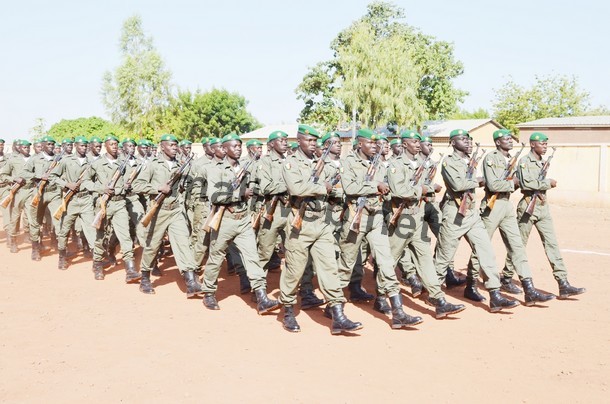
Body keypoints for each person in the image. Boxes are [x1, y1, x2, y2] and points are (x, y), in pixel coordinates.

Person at [280, 124, 362, 334]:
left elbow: (334, 187)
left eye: (315, 141)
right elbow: (296, 188)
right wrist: (322, 187)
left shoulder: (321, 162)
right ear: (298, 141)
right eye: (309, 140)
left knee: (329, 268)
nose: (313, 144)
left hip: (322, 223)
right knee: (295, 271)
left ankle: (338, 315)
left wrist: (333, 189)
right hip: (301, 223)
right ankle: (288, 309)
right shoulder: (291, 163)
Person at [338, 128, 422, 329]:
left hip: (376, 217)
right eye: (371, 143)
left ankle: (398, 311)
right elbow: (349, 188)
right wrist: (375, 186)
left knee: (386, 262)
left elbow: (388, 190)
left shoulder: (380, 164)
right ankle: (335, 306)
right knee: (347, 264)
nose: (375, 146)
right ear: (360, 144)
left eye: (377, 144)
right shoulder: (348, 162)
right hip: (356, 217)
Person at [434, 129, 519, 312]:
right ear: (453, 143)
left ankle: (495, 295)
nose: (468, 143)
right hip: (454, 214)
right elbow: (457, 185)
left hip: (472, 214)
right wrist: (478, 181)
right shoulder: (449, 162)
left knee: (486, 252)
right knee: (443, 258)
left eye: (469, 140)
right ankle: (436, 297)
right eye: (463, 140)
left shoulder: (468, 162)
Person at [387, 131, 465, 318]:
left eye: (418, 141)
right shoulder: (396, 165)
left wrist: (425, 190)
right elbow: (399, 190)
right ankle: (383, 298)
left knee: (426, 261)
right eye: (414, 141)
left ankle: (439, 301)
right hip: (402, 218)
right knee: (389, 261)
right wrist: (424, 189)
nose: (417, 144)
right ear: (404, 144)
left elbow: (422, 191)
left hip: (418, 217)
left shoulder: (420, 165)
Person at [200, 133, 279, 314]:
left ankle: (261, 297)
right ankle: (208, 292)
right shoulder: (215, 168)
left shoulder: (245, 167)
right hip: (225, 219)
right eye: (234, 146)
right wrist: (240, 194)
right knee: (216, 257)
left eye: (239, 146)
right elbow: (215, 196)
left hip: (243, 219)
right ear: (225, 148)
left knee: (252, 257)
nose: (238, 148)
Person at [504, 132, 586, 299]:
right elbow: (527, 184)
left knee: (552, 244)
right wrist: (548, 183)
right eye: (542, 143)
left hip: (542, 207)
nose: (545, 146)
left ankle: (563, 283)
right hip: (528, 207)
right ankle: (506, 277)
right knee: (518, 245)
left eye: (546, 143)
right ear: (533, 145)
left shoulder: (542, 162)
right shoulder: (525, 162)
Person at [132, 134, 204, 297]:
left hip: (176, 210)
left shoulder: (180, 164)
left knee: (183, 243)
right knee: (152, 245)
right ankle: (144, 278)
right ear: (162, 146)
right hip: (158, 210)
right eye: (171, 145)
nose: (174, 147)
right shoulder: (152, 164)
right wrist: (158, 188)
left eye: (175, 145)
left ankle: (191, 281)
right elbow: (137, 184)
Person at [83, 134, 140, 282]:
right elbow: (85, 182)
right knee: (101, 237)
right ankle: (97, 264)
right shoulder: (97, 163)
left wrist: (128, 185)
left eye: (116, 144)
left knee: (125, 236)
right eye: (112, 144)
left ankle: (131, 270)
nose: (115, 146)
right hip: (104, 203)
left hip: (120, 203)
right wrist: (102, 189)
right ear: (105, 146)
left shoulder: (123, 163)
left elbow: (131, 181)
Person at [50, 136, 96, 270]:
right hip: (71, 200)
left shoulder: (91, 162)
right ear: (76, 146)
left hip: (86, 199)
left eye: (85, 146)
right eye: (81, 146)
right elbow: (53, 176)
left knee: (91, 229)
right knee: (64, 230)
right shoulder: (66, 160)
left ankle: (96, 261)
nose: (83, 148)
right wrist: (66, 184)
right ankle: (62, 256)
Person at [21, 136, 64, 260]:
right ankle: (35, 248)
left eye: (52, 144)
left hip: (54, 192)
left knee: (58, 219)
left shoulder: (59, 159)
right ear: (43, 145)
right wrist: (38, 176)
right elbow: (24, 173)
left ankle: (60, 250)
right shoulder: (35, 159)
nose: (51, 146)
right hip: (39, 193)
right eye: (49, 144)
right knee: (35, 221)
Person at [0, 140, 34, 253]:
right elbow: (4, 174)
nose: (27, 149)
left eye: (28, 147)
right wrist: (14, 179)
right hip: (17, 192)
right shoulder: (12, 160)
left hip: (30, 191)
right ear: (19, 148)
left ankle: (35, 242)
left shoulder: (33, 159)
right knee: (14, 218)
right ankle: (13, 240)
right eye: (24, 147)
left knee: (32, 217)